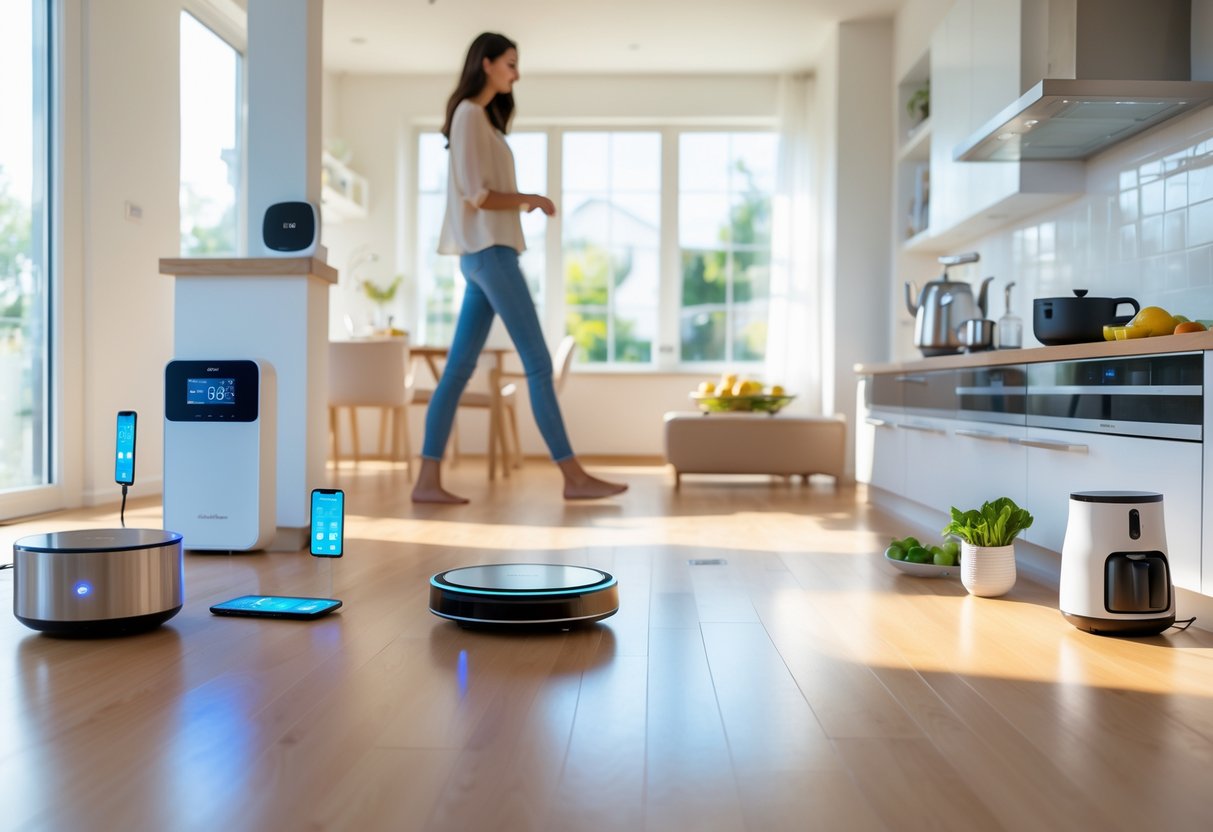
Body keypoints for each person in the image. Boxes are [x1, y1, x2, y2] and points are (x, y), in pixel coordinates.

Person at [411, 32, 628, 504]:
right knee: (537, 363)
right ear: (486, 64)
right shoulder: (469, 115)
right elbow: (477, 194)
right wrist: (530, 198)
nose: (517, 72)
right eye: (511, 63)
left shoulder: (481, 121)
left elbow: (481, 193)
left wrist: (521, 203)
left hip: (482, 256)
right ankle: (573, 477)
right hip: (490, 253)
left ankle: (426, 482)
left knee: (457, 371)